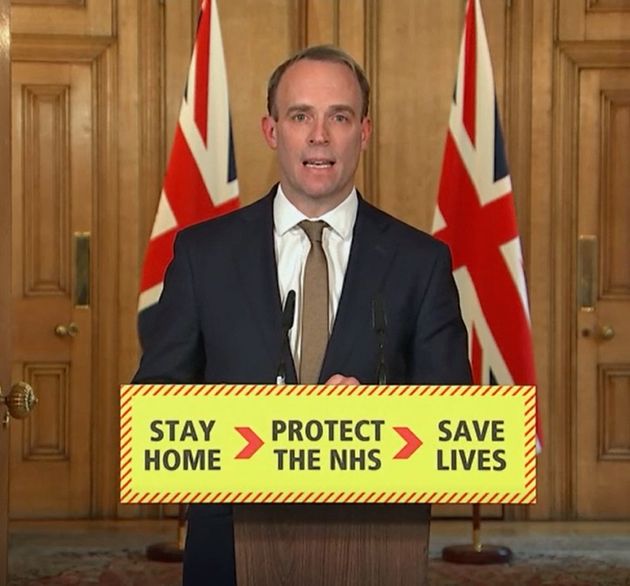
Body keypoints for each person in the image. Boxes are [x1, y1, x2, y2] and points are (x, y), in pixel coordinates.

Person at [133, 44, 471, 585]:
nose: (319, 136)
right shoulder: (203, 255)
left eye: (338, 117)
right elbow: (156, 410)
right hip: (231, 547)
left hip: (373, 547)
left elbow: (461, 424)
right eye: (300, 116)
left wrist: (375, 422)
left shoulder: (420, 262)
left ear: (363, 132)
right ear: (271, 131)